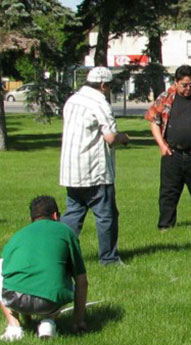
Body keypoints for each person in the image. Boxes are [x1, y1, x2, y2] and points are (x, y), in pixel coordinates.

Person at [0, 196, 88, 341]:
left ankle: (14, 326)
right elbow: (81, 280)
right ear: (55, 215)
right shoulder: (66, 231)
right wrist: (78, 321)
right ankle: (48, 321)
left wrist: (27, 313)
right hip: (50, 302)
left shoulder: (19, 235)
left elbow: (13, 272)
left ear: (31, 219)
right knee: (60, 269)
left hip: (15, 299)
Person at [59, 67, 130, 265]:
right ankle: (109, 258)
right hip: (94, 169)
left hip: (71, 168)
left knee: (73, 213)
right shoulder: (100, 103)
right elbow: (110, 137)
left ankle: (59, 253)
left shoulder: (73, 100)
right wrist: (124, 138)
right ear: (103, 85)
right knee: (106, 215)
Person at [144, 65, 191, 230]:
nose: (188, 89)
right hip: (173, 153)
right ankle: (165, 225)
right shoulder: (166, 97)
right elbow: (153, 120)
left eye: (190, 85)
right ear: (176, 82)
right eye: (184, 85)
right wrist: (162, 144)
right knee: (168, 193)